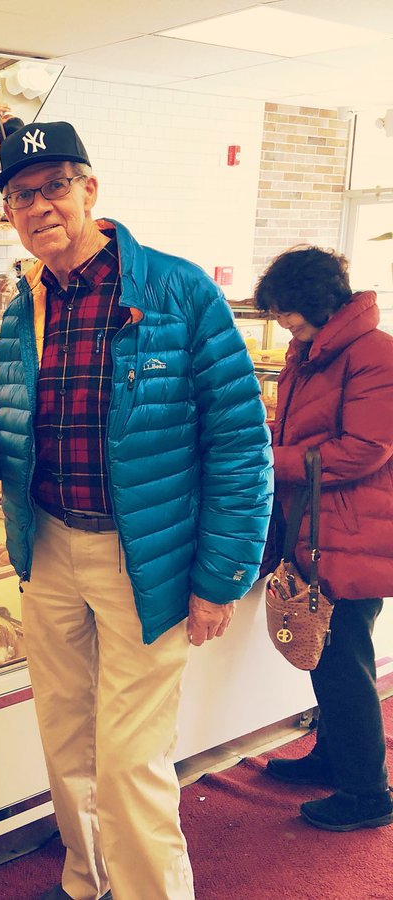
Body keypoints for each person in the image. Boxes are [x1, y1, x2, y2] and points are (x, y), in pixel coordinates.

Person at [0, 121, 272, 900]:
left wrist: (221, 576)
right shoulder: (21, 308)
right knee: (65, 735)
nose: (39, 207)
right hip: (51, 551)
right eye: (19, 196)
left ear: (90, 190)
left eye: (53, 187)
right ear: (8, 214)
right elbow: (19, 434)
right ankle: (85, 881)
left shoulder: (178, 292)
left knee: (131, 758)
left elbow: (240, 444)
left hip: (146, 559)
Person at [255, 246, 393, 832]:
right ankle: (333, 758)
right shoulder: (312, 351)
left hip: (352, 526)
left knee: (343, 661)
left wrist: (269, 459)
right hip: (319, 521)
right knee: (328, 656)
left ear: (315, 302)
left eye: (285, 310)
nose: (280, 322)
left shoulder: (375, 355)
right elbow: (303, 428)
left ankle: (368, 794)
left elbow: (364, 450)